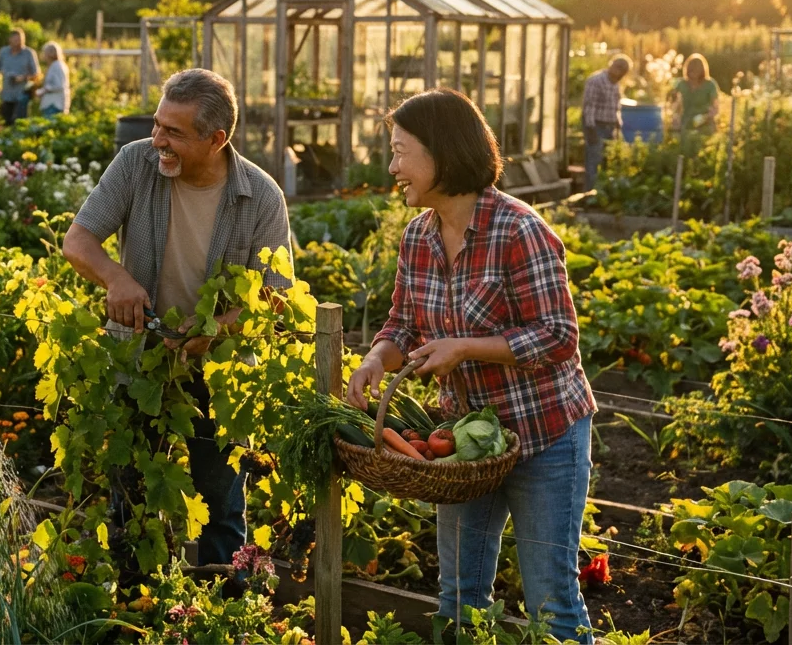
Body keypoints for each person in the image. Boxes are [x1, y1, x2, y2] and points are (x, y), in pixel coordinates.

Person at [344, 88, 597, 641]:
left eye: (399, 151)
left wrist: (464, 346)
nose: (392, 167)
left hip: (543, 434)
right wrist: (374, 361)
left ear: (442, 151)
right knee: (459, 595)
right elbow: (403, 326)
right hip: (468, 445)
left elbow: (559, 337)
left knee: (552, 603)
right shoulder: (418, 237)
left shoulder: (519, 230)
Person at [62, 68, 292, 566]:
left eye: (174, 133)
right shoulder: (135, 163)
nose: (157, 140)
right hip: (138, 359)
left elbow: (275, 297)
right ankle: (134, 606)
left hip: (219, 371)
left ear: (217, 139)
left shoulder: (262, 196)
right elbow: (77, 241)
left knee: (220, 506)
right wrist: (116, 278)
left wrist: (216, 328)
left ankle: (223, 607)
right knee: (131, 499)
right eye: (158, 124)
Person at [581, 55, 631, 190]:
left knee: (608, 161)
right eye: (619, 68)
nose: (620, 73)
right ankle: (589, 193)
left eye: (624, 71)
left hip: (609, 126)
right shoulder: (596, 80)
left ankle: (602, 192)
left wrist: (617, 124)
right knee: (594, 161)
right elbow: (589, 105)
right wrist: (590, 129)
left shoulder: (616, 84)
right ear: (612, 66)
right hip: (596, 125)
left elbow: (615, 106)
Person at [668, 53, 720, 152]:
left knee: (703, 151)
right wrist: (675, 116)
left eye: (696, 71)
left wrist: (709, 115)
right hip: (686, 124)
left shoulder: (710, 85)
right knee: (684, 151)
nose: (693, 74)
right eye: (691, 70)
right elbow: (673, 103)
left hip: (704, 125)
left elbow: (715, 107)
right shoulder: (681, 84)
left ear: (702, 71)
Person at [0, 28, 40, 126]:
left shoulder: (29, 53)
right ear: (10, 40)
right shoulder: (3, 52)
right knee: (6, 121)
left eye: (20, 40)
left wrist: (23, 78)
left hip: (22, 94)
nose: (18, 43)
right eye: (15, 40)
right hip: (7, 93)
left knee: (20, 122)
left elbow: (36, 73)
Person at [36, 41, 71, 118]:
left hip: (54, 104)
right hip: (54, 103)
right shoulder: (55, 65)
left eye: (45, 53)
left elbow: (59, 85)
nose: (44, 55)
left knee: (50, 127)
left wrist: (44, 90)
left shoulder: (57, 66)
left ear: (50, 54)